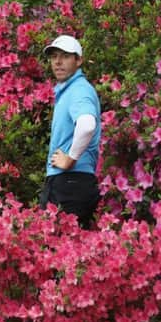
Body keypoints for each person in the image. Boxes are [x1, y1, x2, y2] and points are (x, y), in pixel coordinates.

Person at [39, 35, 101, 229]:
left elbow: (87, 124)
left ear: (78, 60)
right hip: (71, 182)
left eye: (65, 56)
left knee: (56, 249)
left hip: (70, 182)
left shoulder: (79, 90)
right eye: (54, 56)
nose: (57, 62)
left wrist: (70, 159)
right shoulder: (70, 90)